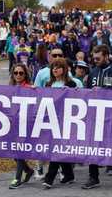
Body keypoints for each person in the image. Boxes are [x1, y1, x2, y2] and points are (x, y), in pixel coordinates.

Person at [82, 44, 112, 189]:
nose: (95, 60)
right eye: (94, 58)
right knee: (93, 146)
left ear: (106, 56)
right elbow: (88, 91)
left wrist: (103, 91)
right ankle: (93, 177)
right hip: (96, 116)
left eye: (98, 58)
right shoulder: (93, 72)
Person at [42, 58, 76, 189]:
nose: (55, 69)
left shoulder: (71, 84)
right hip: (51, 121)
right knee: (58, 148)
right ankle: (69, 175)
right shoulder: (48, 84)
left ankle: (49, 178)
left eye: (58, 67)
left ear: (64, 69)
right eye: (53, 67)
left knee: (55, 150)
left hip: (65, 121)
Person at [8, 64, 34, 189]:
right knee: (14, 152)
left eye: (21, 73)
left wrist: (36, 90)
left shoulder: (29, 88)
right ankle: (28, 170)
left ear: (25, 74)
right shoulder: (10, 88)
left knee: (19, 151)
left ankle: (17, 178)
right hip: (12, 124)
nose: (18, 75)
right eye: (16, 73)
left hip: (25, 124)